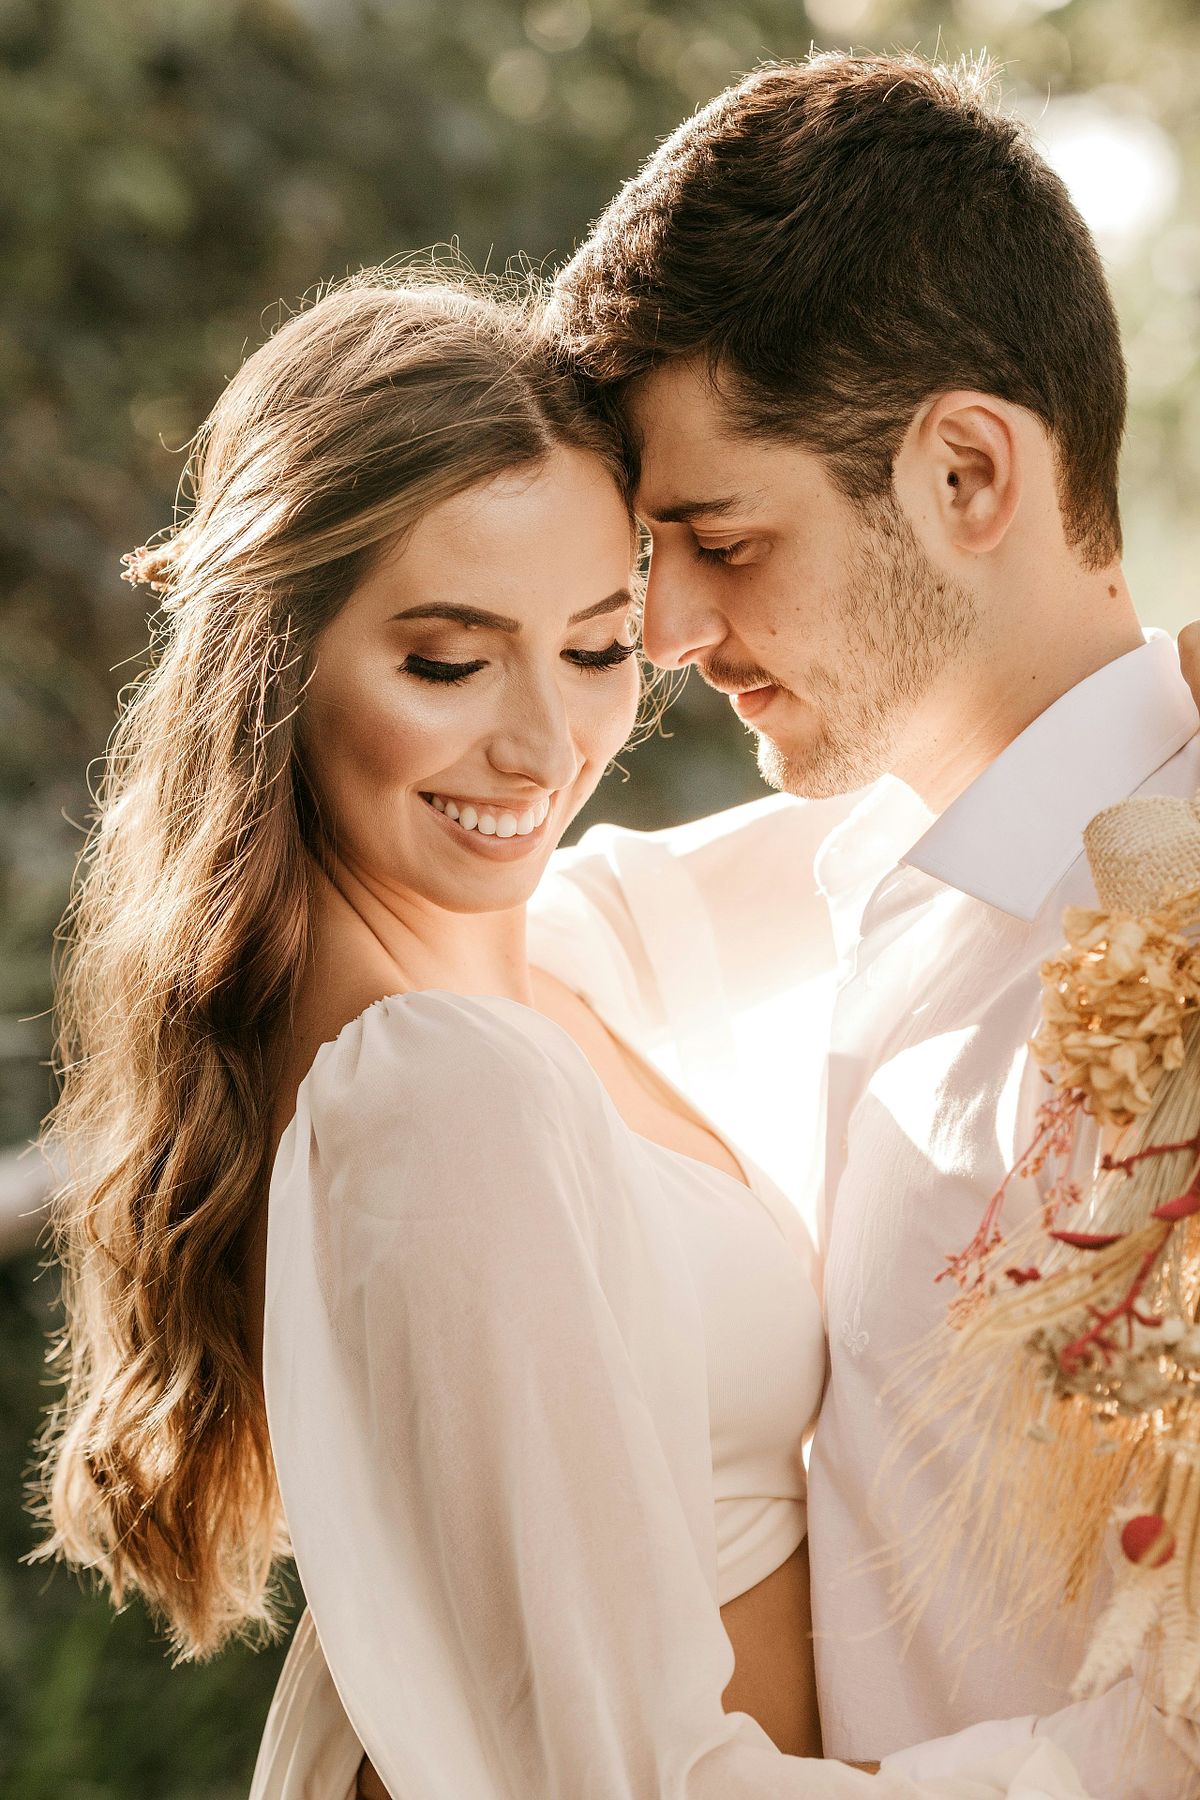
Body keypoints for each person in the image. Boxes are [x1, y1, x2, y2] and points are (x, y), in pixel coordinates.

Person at [28, 270, 1091, 1800]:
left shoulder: (545, 950)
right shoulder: (439, 1093)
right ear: (278, 659)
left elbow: (956, 805)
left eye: (597, 649)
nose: (543, 750)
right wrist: (1113, 1757)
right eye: (448, 663)